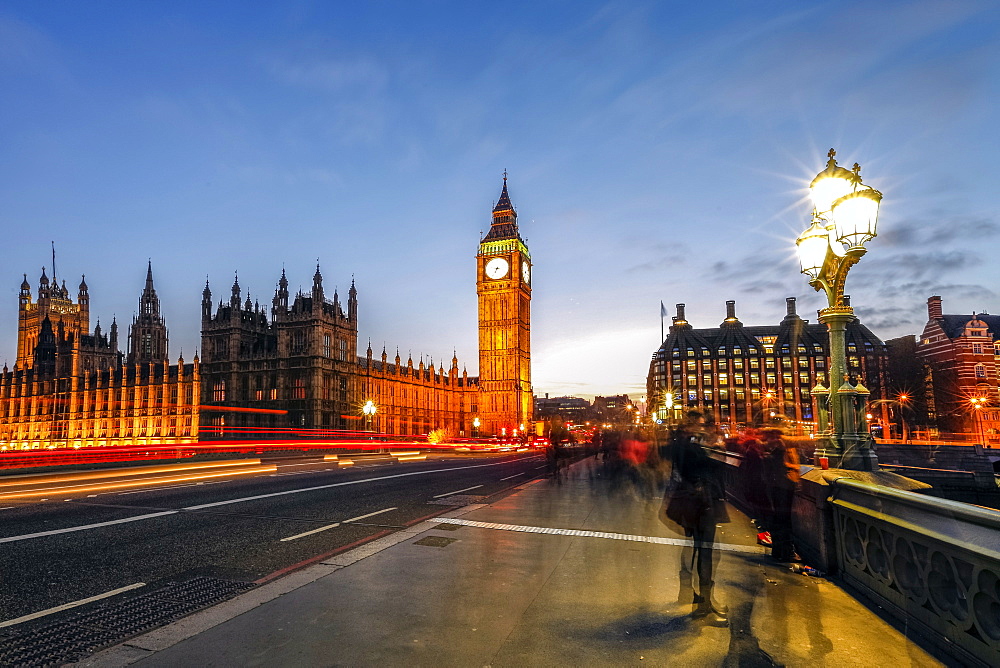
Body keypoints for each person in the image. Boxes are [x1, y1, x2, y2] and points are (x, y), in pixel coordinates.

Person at [666, 411, 728, 625]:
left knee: (697, 549)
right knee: (706, 551)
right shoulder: (689, 445)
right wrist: (715, 452)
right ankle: (704, 605)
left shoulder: (681, 442)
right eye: (700, 425)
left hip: (692, 503)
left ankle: (693, 596)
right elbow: (702, 469)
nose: (703, 428)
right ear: (692, 425)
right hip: (700, 503)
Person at [763, 428, 800, 562]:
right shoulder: (780, 445)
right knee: (784, 519)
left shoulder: (771, 447)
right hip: (783, 486)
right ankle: (787, 552)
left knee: (778, 519)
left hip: (776, 485)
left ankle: (778, 550)